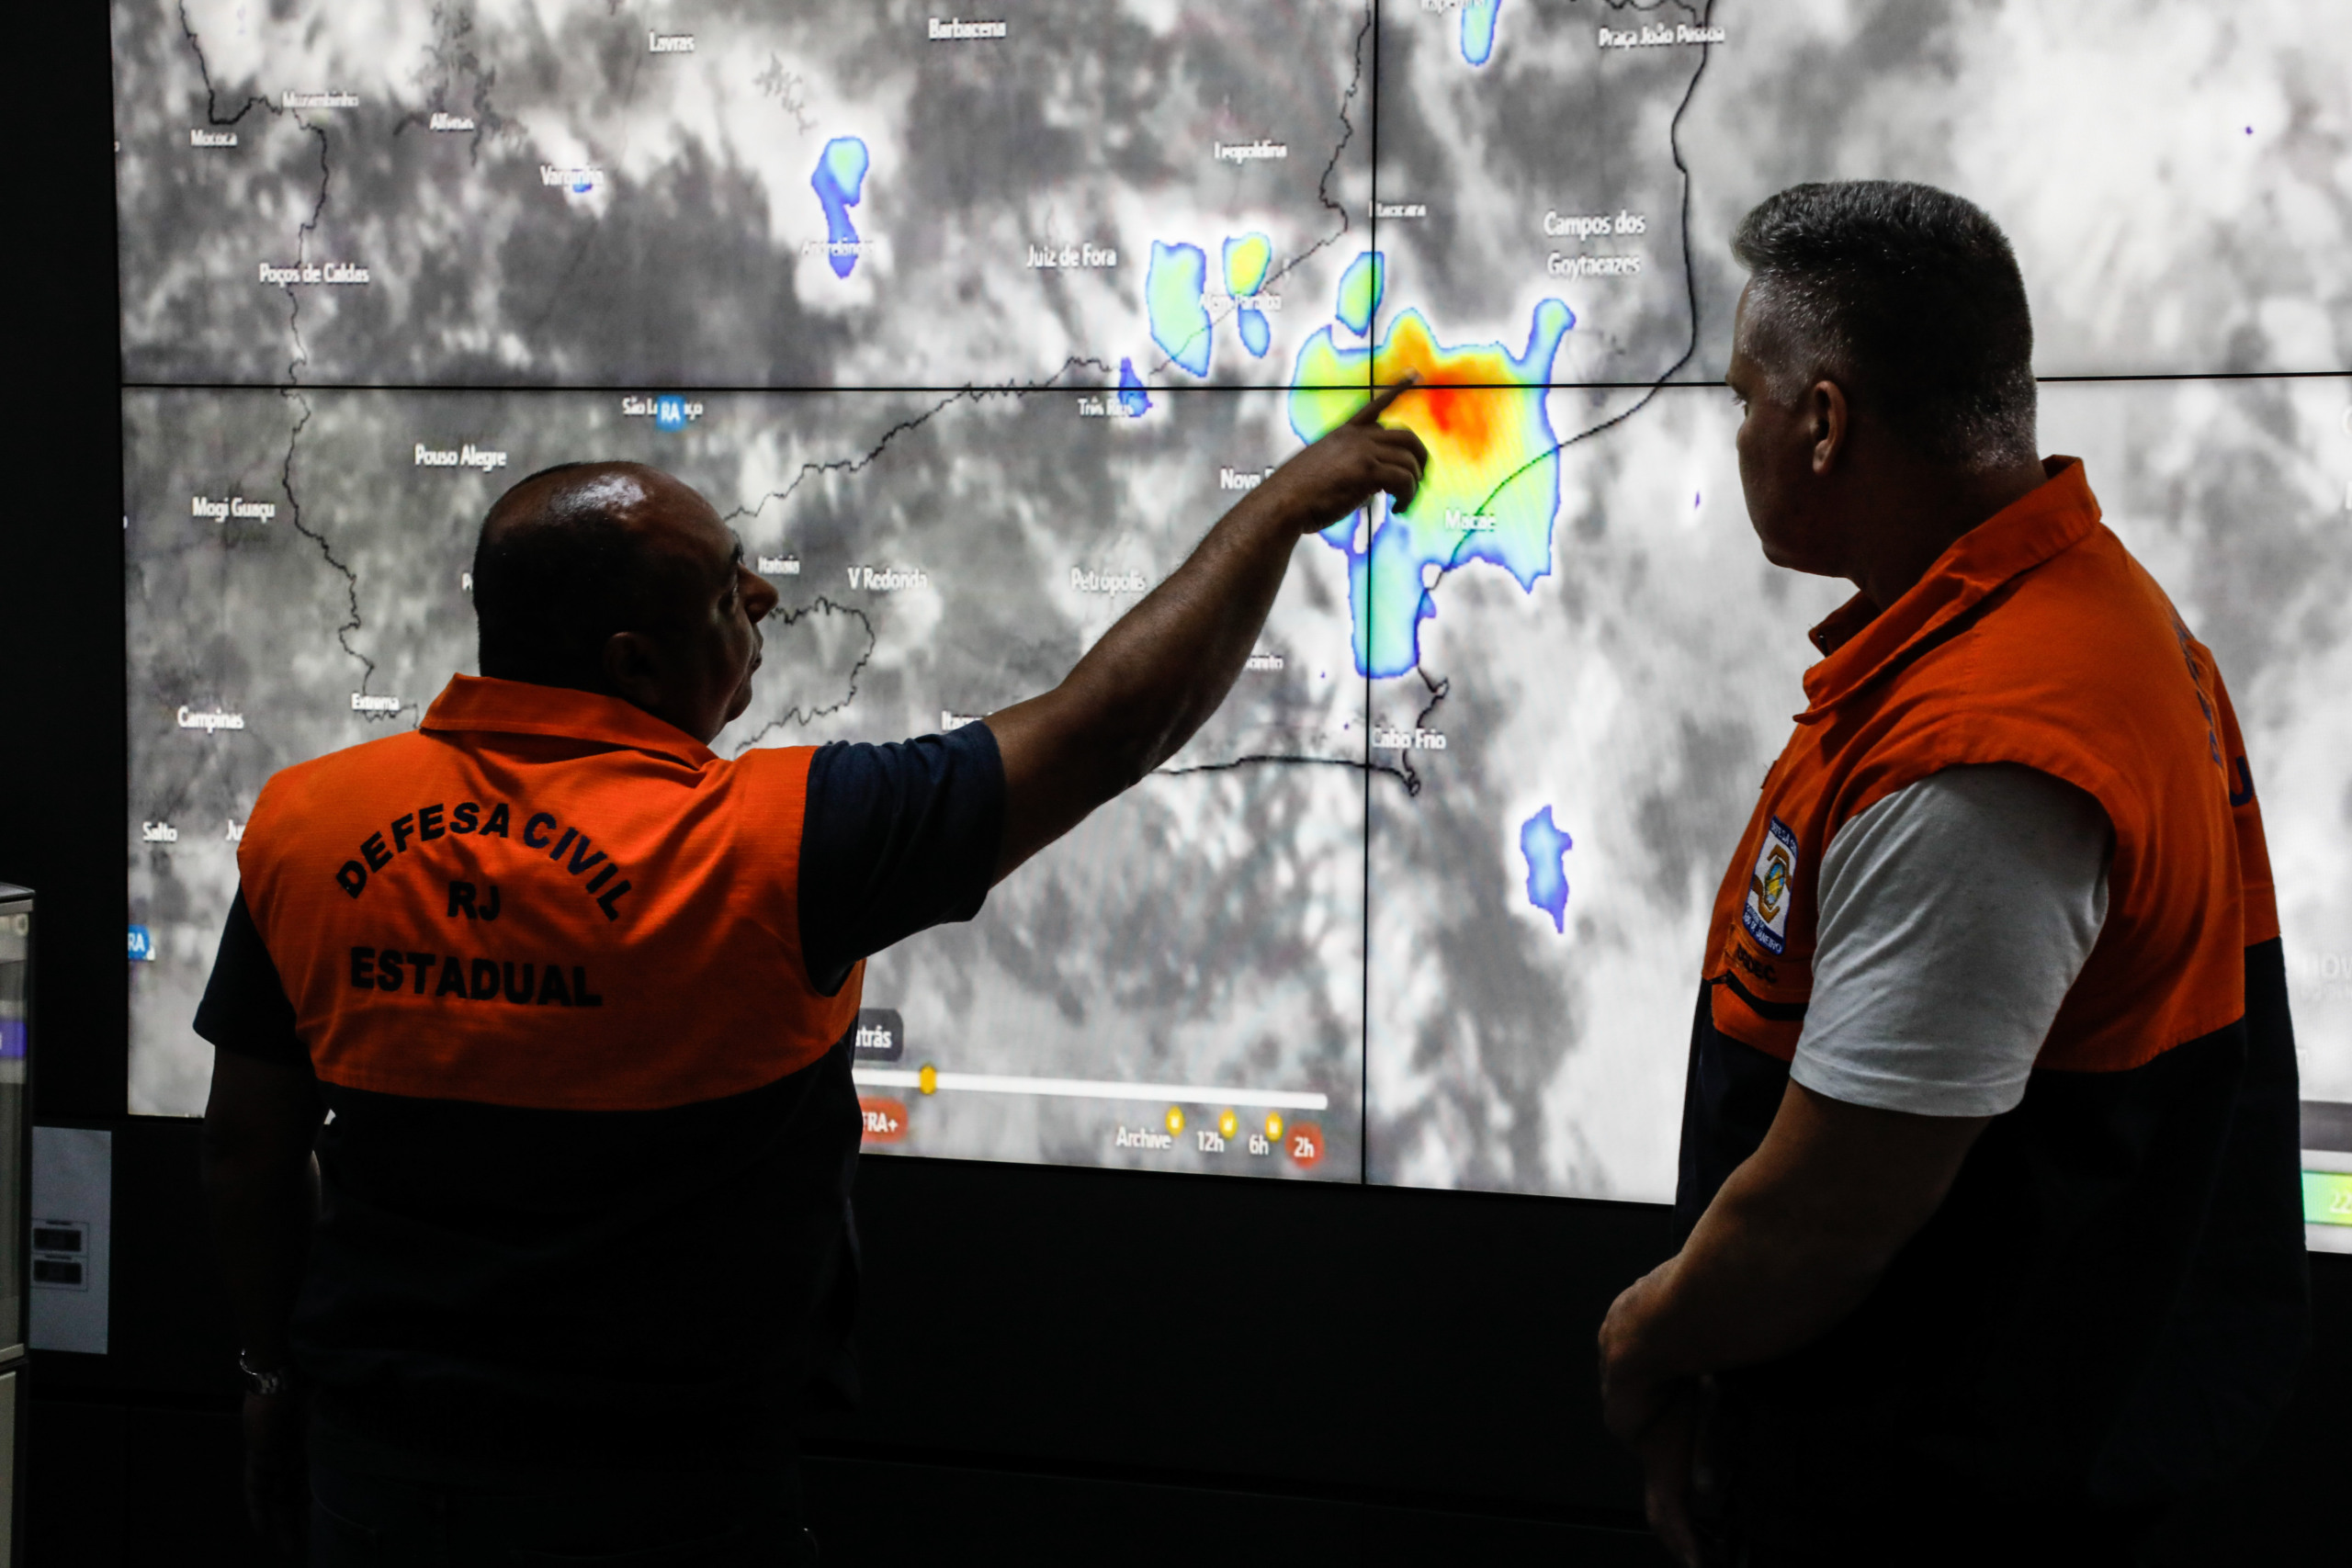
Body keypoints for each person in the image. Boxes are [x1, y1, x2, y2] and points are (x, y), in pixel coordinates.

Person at [198, 384, 1428, 1562]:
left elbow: (251, 1153)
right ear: (635, 664)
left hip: (381, 1477)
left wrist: (266, 1378)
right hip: (672, 1499)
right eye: (730, 593)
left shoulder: (308, 828)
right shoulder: (776, 847)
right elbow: (1110, 726)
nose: (767, 594)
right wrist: (1282, 506)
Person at [1596, 182, 2308, 1564]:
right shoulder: (2066, 620)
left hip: (1930, 1498)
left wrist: (1643, 1343)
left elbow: (1825, 1220)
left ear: (1823, 423)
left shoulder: (1986, 755)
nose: (1735, 430)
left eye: (1744, 397)